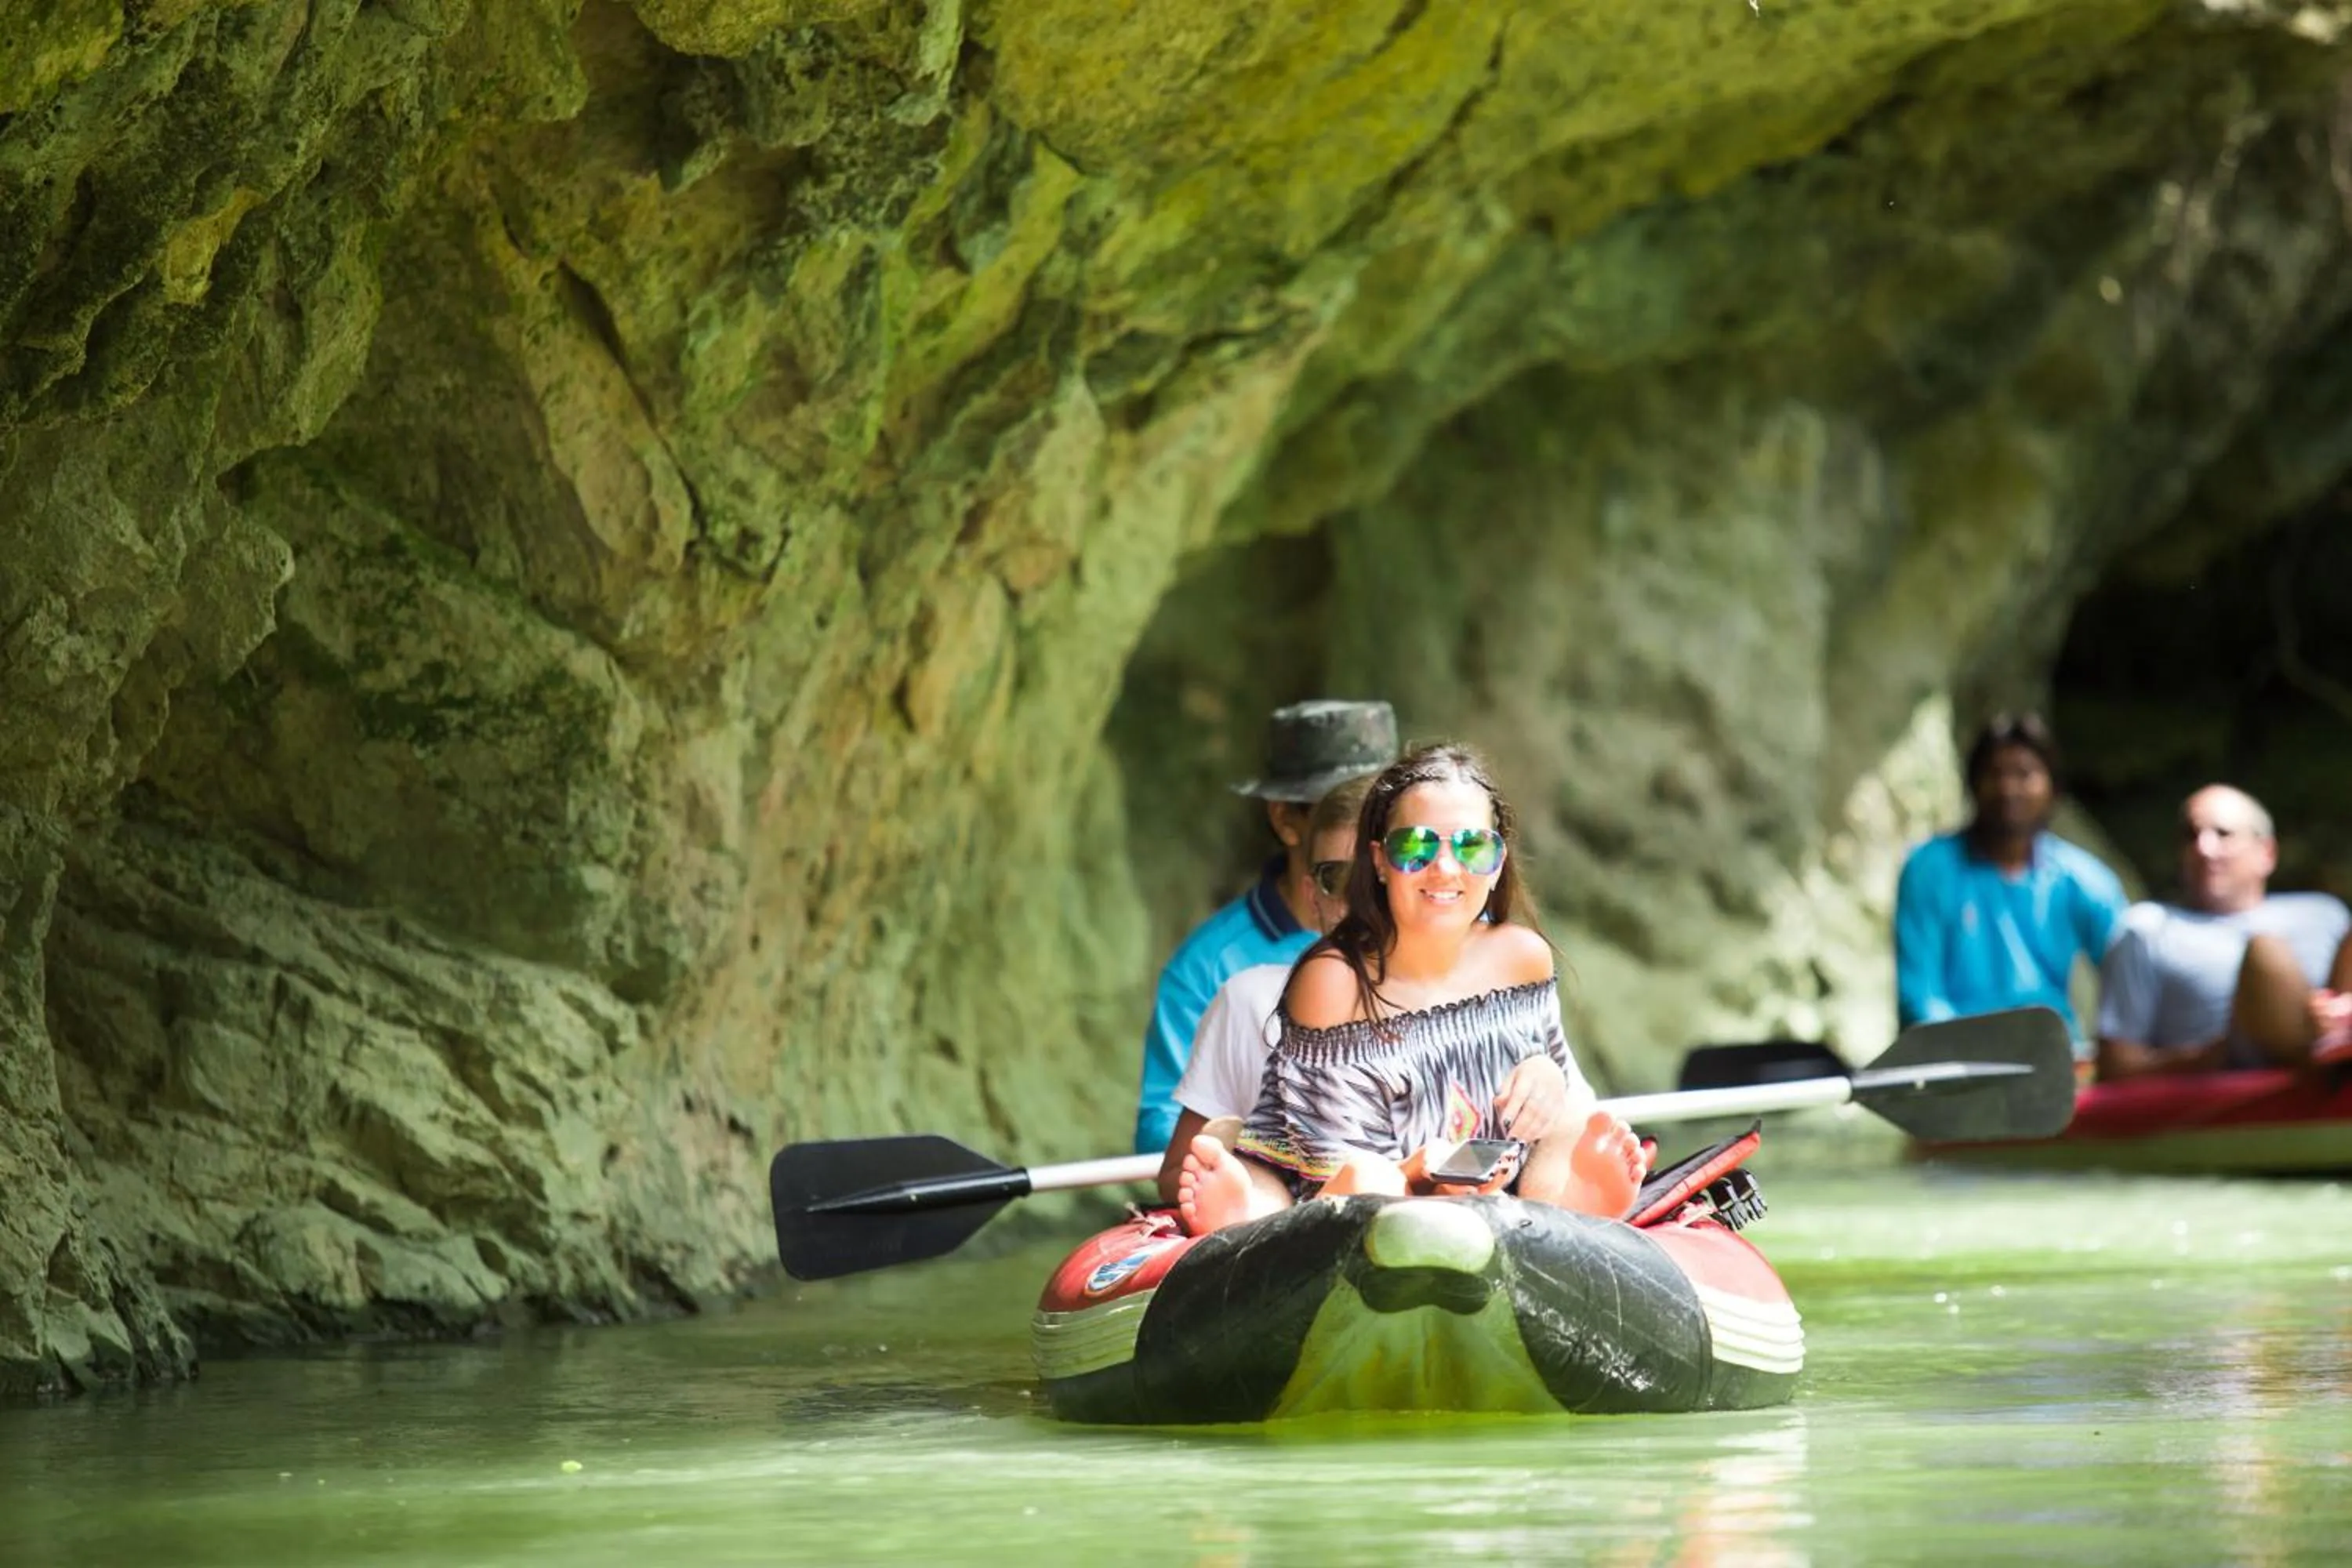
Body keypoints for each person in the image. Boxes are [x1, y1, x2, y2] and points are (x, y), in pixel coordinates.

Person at [1176, 742, 1646, 1236]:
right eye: (1416, 847)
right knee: (1371, 1182)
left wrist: (1545, 1077)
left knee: (1570, 1116)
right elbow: (1327, 1169)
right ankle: (1245, 1213)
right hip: (1349, 1189)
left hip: (1498, 1184)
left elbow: (1553, 1081)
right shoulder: (1334, 981)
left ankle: (1567, 1195)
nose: (1445, 868)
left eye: (1472, 847)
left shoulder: (1522, 956)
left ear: (1498, 863)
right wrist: (1425, 1174)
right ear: (1379, 861)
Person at [1131, 699, 1399, 1156]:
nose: (1364, 828)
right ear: (1284, 819)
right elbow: (1164, 1127)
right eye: (1337, 807)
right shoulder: (1210, 968)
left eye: (1384, 810)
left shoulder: (1439, 932)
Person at [1152, 776, 1372, 1203]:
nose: (1362, 900)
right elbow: (1175, 1163)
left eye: (1377, 877)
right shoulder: (1244, 994)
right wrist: (1230, 1176)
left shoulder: (1475, 997)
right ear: (1313, 894)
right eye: (1339, 878)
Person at [1893, 713, 2129, 1042]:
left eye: (2024, 774)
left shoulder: (2081, 879)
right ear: (1973, 785)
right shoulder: (1930, 869)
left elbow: (2133, 976)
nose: (2008, 788)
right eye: (1995, 774)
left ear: (2053, 788)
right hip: (1955, 1055)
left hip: (2052, 1055)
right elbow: (1919, 996)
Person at [2096, 783, 2352, 1080]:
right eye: (2190, 836)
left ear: (2267, 853)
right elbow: (2116, 1066)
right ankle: (2325, 1054)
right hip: (2244, 1071)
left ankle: (2333, 1044)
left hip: (2332, 1034)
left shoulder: (2324, 913)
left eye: (2223, 834)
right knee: (2265, 953)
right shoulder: (2147, 929)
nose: (2204, 848)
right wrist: (2210, 1057)